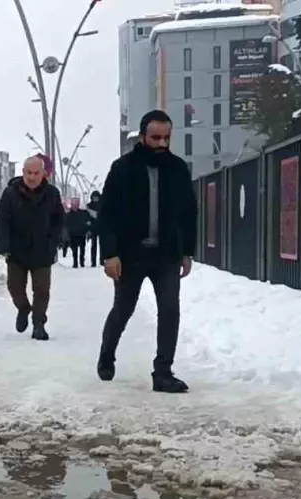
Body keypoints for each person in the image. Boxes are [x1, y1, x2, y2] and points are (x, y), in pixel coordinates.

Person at [97, 110, 197, 394]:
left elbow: (189, 213)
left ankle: (163, 372)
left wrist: (187, 251)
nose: (162, 143)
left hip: (166, 254)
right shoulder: (123, 168)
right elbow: (108, 214)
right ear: (142, 136)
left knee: (169, 310)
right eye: (156, 137)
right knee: (123, 309)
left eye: (166, 137)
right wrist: (110, 254)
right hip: (130, 255)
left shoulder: (177, 169)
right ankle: (107, 353)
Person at [0, 155, 65, 340]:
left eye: (36, 173)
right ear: (22, 173)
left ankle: (39, 323)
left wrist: (54, 242)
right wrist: (3, 244)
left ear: (43, 174)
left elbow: (59, 221)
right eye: (28, 173)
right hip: (17, 251)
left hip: (42, 250)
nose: (32, 177)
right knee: (14, 287)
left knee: (42, 290)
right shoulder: (10, 193)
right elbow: (2, 220)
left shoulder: (52, 194)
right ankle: (23, 308)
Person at [63, 199, 93, 269]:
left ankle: (82, 262)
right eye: (73, 204)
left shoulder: (83, 213)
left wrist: (88, 228)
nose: (75, 206)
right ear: (71, 205)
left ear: (78, 205)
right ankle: (75, 262)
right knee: (74, 250)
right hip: (72, 234)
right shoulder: (68, 215)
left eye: (76, 204)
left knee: (82, 249)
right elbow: (65, 224)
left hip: (81, 234)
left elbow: (88, 221)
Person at [86, 190, 103, 267]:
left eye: (96, 197)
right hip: (93, 228)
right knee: (93, 245)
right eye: (94, 197)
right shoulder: (89, 206)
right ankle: (93, 262)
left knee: (102, 245)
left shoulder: (103, 205)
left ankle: (102, 260)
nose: (95, 199)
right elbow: (87, 218)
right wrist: (88, 227)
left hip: (101, 227)